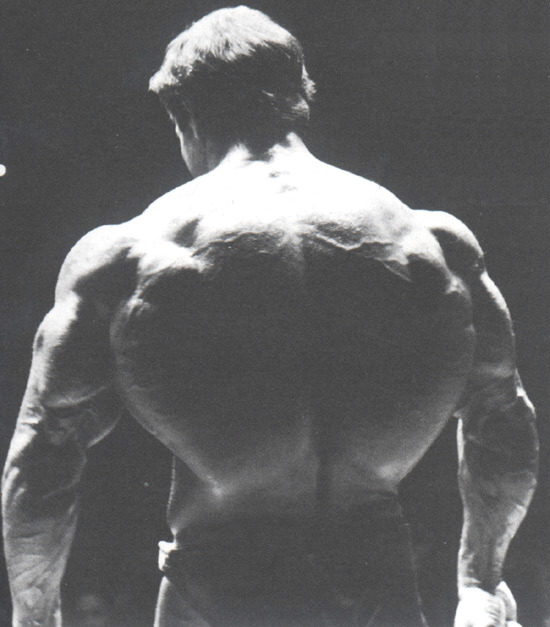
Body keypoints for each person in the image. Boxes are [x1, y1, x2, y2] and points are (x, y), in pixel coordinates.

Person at [2, 6, 538, 627]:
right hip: (377, 584)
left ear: (185, 116)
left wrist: (33, 617)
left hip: (219, 589)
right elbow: (503, 418)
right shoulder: (432, 244)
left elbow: (43, 452)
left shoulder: (130, 256)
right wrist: (480, 582)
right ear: (297, 99)